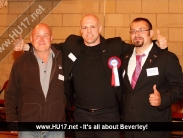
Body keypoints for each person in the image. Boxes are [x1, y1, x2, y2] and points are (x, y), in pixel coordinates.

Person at [14, 14, 167, 138]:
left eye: (92, 27)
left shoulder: (115, 45)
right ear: (80, 30)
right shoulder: (72, 44)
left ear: (100, 28)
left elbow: (139, 46)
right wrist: (26, 46)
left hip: (109, 115)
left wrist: (157, 43)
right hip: (81, 115)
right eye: (85, 27)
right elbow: (49, 46)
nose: (89, 31)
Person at [121, 17, 183, 138]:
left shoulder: (166, 58)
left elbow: (180, 87)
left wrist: (163, 99)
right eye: (133, 31)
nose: (137, 34)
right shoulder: (126, 57)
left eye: (142, 30)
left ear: (151, 33)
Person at [5, 23, 66, 138]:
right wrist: (11, 119)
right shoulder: (21, 63)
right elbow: (10, 94)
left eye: (46, 35)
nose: (42, 39)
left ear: (51, 38)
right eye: (37, 36)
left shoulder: (62, 60)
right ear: (31, 39)